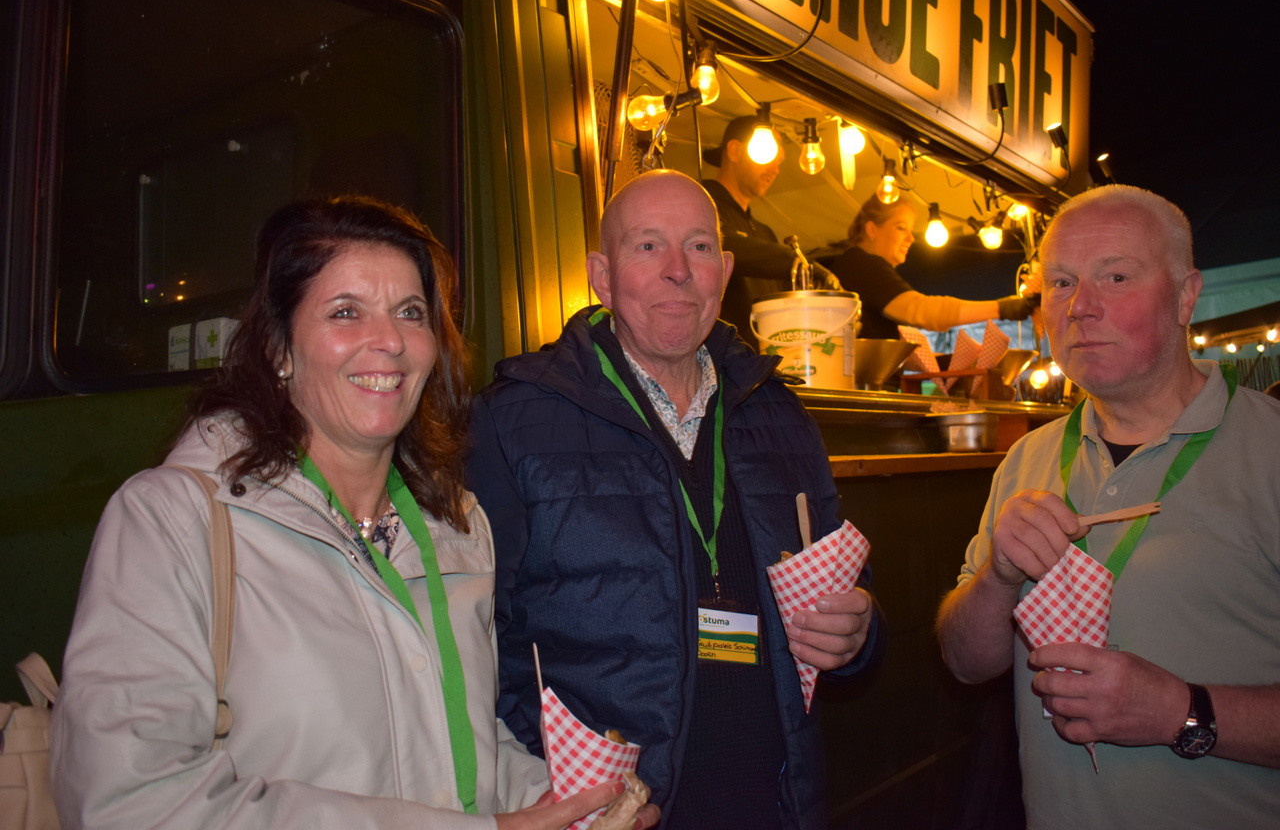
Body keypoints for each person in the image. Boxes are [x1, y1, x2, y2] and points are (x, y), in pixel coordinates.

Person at [50, 197, 657, 830]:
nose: (390, 340)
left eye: (410, 313)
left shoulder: (457, 527)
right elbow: (126, 802)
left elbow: (461, 749)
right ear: (279, 348)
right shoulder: (174, 522)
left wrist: (566, 806)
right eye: (346, 312)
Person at [467, 170, 885, 830]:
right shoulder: (513, 420)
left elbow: (843, 588)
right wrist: (544, 784)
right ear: (602, 277)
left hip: (772, 803)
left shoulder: (779, 414)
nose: (677, 271)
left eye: (697, 247)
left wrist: (859, 631)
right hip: (613, 810)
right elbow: (476, 644)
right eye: (647, 246)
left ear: (724, 270)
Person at [935, 185, 1280, 828]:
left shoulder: (1269, 450)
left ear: (1186, 296)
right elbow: (965, 663)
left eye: (1115, 277)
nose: (1080, 307)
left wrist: (1182, 712)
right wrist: (998, 578)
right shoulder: (1027, 458)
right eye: (1061, 283)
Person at [825, 197, 1036, 340]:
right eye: (901, 228)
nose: (911, 238)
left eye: (911, 230)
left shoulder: (860, 269)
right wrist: (1005, 308)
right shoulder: (861, 263)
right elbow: (922, 312)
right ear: (872, 229)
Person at [701, 115, 794, 339]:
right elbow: (719, 243)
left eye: (779, 162)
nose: (775, 169)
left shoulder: (765, 233)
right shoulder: (701, 206)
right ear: (735, 151)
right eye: (768, 156)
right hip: (719, 354)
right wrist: (793, 259)